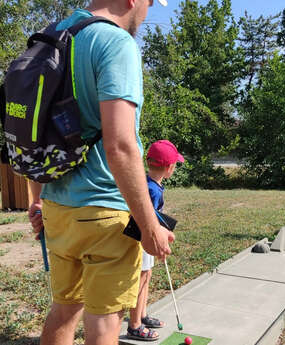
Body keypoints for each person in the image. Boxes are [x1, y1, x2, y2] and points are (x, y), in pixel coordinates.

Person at [27, 1, 175, 344]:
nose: (147, 11)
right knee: (105, 321)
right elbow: (120, 145)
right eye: (150, 3)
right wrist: (150, 224)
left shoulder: (53, 37)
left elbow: (30, 132)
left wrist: (37, 201)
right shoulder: (114, 42)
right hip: (105, 214)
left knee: (64, 309)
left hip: (57, 210)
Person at [127, 139, 184, 341]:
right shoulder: (151, 190)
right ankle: (134, 325)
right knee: (141, 277)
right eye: (175, 165)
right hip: (143, 238)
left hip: (147, 236)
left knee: (147, 274)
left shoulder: (149, 184)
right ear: (169, 168)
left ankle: (141, 314)